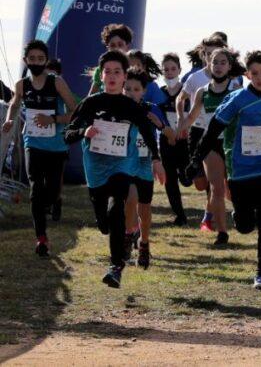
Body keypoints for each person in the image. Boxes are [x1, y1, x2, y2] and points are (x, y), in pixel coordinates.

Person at [186, 51, 261, 290]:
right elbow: (212, 130)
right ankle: (239, 216)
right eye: (255, 73)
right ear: (248, 75)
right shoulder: (236, 99)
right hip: (239, 170)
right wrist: (194, 161)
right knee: (244, 226)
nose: (260, 77)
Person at [64, 50, 164, 287]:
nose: (111, 76)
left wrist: (156, 159)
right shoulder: (91, 104)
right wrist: (83, 132)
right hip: (96, 170)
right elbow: (67, 134)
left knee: (117, 205)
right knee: (104, 223)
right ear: (101, 76)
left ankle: (115, 266)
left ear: (123, 77)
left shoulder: (130, 105)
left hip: (122, 165)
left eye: (117, 72)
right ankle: (113, 238)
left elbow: (149, 133)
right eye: (107, 71)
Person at [2, 40, 78, 257]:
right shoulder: (21, 85)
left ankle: (56, 200)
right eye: (32, 59)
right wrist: (9, 120)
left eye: (40, 59)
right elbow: (15, 105)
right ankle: (41, 239)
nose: (36, 62)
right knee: (36, 189)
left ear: (46, 61)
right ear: (25, 61)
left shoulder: (57, 82)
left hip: (56, 146)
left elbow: (75, 111)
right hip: (32, 143)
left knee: (52, 192)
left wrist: (53, 118)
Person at [177, 46, 240, 244]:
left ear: (229, 66)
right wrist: (178, 128)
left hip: (233, 144)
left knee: (234, 189)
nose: (219, 67)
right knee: (216, 188)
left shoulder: (236, 89)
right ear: (209, 65)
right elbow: (193, 116)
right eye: (215, 63)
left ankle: (240, 212)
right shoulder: (202, 92)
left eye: (223, 63)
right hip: (211, 145)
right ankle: (222, 232)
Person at [122, 69, 173, 269]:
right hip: (125, 164)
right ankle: (128, 235)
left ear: (144, 91)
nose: (131, 93)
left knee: (144, 208)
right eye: (127, 89)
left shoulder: (152, 109)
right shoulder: (118, 108)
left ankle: (144, 243)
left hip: (145, 164)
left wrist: (159, 124)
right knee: (130, 198)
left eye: (136, 89)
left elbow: (170, 134)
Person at [158, 53, 189, 225]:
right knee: (170, 179)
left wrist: (186, 129)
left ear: (179, 70)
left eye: (173, 69)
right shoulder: (160, 94)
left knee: (185, 178)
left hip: (185, 141)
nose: (170, 73)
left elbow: (195, 115)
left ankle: (187, 176)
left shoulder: (187, 92)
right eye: (166, 70)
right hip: (166, 141)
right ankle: (180, 215)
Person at [87, 24, 133, 95]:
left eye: (120, 45)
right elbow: (89, 100)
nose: (116, 48)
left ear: (127, 46)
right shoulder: (100, 70)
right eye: (112, 45)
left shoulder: (134, 70)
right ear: (108, 48)